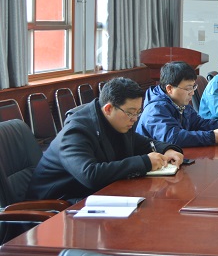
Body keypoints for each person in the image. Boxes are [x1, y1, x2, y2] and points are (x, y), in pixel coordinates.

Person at [26, 77, 183, 203]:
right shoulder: (76, 131)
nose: (135, 118)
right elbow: (89, 175)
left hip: (92, 195)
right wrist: (145, 162)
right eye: (130, 113)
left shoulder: (116, 121)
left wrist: (167, 149)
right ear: (108, 108)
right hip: (59, 204)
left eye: (138, 112)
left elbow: (138, 141)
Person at [136, 61, 218, 147]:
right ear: (169, 89)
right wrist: (211, 137)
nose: (192, 93)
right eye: (188, 88)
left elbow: (197, 123)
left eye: (193, 87)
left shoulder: (178, 101)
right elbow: (173, 137)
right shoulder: (155, 109)